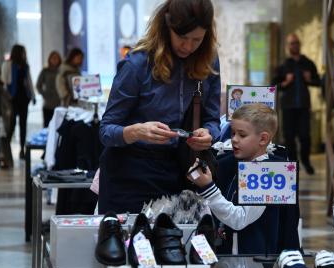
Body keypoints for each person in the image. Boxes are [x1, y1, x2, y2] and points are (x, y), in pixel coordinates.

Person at [98, 0, 221, 214]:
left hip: (179, 173)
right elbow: (106, 131)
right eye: (182, 37)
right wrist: (137, 131)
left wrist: (209, 134)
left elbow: (213, 119)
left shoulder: (208, 61)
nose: (189, 46)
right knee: (130, 245)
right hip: (128, 175)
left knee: (175, 244)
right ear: (167, 27)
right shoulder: (137, 63)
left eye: (197, 40)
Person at [188, 103, 295, 254]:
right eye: (232, 133)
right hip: (231, 260)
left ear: (263, 139)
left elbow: (239, 219)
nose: (234, 140)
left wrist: (208, 188)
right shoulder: (238, 164)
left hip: (249, 265)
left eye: (242, 135)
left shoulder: (265, 173)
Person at [271, 33, 320, 175]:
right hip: (288, 107)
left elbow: (318, 82)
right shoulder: (284, 66)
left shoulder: (308, 63)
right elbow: (273, 86)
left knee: (305, 136)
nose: (294, 45)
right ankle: (293, 164)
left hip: (304, 106)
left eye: (296, 43)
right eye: (291, 43)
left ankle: (306, 161)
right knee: (289, 137)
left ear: (300, 44)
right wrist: (285, 82)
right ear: (288, 46)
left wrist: (309, 79)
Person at [1, 44, 35, 159]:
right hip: (12, 98)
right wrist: (7, 97)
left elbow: (29, 81)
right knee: (11, 124)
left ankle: (22, 150)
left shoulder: (25, 66)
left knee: (23, 124)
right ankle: (6, 149)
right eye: (22, 52)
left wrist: (33, 96)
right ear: (17, 53)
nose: (24, 54)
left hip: (24, 98)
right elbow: (4, 82)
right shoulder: (7, 65)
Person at [36, 51, 62, 127]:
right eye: (53, 58)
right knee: (47, 126)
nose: (54, 60)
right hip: (48, 104)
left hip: (60, 103)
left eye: (56, 58)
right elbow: (38, 85)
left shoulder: (61, 71)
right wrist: (44, 94)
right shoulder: (45, 71)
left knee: (58, 126)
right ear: (49, 59)